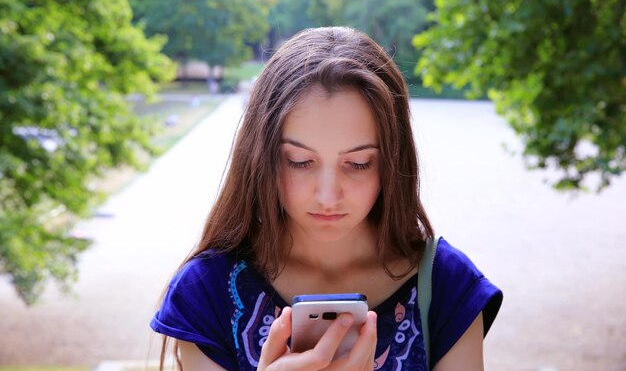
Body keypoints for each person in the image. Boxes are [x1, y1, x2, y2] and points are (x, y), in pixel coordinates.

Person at [150, 27, 503, 371]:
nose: (328, 194)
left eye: (358, 163)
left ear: (393, 162)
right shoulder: (205, 290)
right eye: (300, 162)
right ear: (262, 157)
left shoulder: (448, 286)